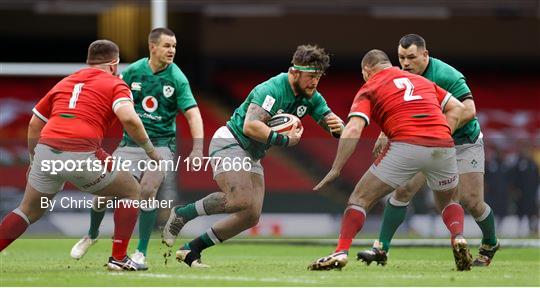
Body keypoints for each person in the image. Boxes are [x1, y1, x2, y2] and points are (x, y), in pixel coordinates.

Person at [161, 44, 344, 268]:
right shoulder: (272, 89)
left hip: (253, 153)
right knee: (241, 199)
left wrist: (338, 128)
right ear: (294, 72)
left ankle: (191, 249)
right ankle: (182, 213)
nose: (315, 82)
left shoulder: (311, 96)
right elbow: (250, 126)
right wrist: (284, 140)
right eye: (310, 76)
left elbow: (330, 121)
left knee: (251, 215)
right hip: (231, 141)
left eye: (319, 76)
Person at [0, 40, 160, 271]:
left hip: (46, 150)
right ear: (114, 64)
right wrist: (150, 151)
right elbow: (129, 119)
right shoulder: (116, 83)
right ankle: (118, 258)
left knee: (28, 210)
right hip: (80, 151)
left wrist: (35, 159)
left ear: (89, 62)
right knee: (130, 190)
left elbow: (35, 123)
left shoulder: (65, 81)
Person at [308, 49, 472, 271]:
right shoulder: (420, 80)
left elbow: (354, 128)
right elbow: (459, 108)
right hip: (442, 145)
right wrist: (440, 133)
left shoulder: (370, 87)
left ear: (367, 71)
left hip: (406, 145)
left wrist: (336, 168)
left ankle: (340, 251)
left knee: (359, 198)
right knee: (449, 201)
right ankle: (458, 237)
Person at [358, 34, 499, 267]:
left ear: (425, 54)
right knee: (404, 189)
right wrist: (385, 133)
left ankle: (490, 242)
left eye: (411, 57)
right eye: (401, 57)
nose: (405, 63)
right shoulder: (400, 77)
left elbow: (469, 110)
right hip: (427, 143)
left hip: (464, 142)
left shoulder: (446, 75)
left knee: (472, 201)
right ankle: (381, 248)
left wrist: (439, 132)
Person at [70, 28, 204, 266]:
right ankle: (91, 235)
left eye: (174, 46)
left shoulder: (178, 78)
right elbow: (111, 102)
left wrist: (197, 149)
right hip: (129, 145)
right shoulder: (133, 72)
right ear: (153, 47)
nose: (172, 50)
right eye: (167, 46)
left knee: (147, 191)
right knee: (103, 192)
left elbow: (193, 114)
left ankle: (140, 251)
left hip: (162, 146)